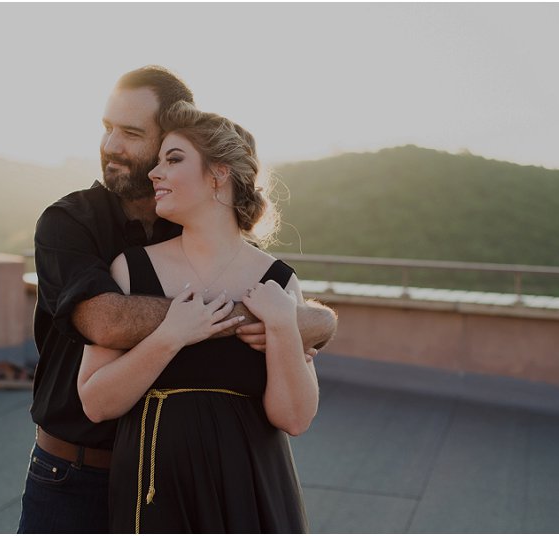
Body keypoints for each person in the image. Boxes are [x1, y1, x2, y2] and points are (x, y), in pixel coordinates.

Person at [19, 65, 337, 533]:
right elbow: (105, 322)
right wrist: (247, 320)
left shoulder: (197, 225)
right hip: (74, 472)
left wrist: (301, 322)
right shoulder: (71, 222)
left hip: (215, 481)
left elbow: (295, 391)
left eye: (130, 132)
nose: (111, 145)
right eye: (107, 129)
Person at [78, 101, 317, 533]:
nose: (155, 173)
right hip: (154, 492)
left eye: (173, 159)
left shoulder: (279, 281)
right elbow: (95, 403)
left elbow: (295, 418)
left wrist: (283, 325)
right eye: (158, 161)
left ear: (218, 173)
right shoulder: (130, 269)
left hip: (251, 491)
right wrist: (170, 335)